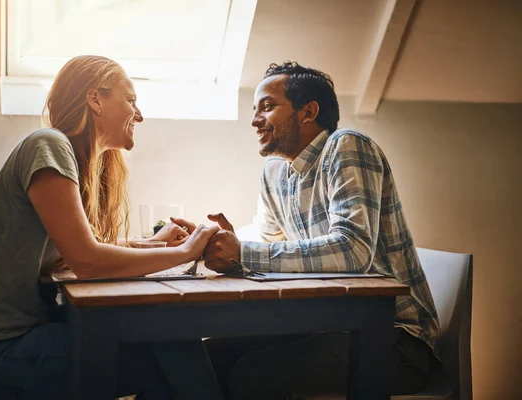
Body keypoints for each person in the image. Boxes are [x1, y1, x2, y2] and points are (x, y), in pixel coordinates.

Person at [0, 55, 224, 400]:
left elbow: (79, 248)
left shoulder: (69, 157)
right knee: (173, 360)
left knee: (172, 346)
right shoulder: (49, 144)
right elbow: (87, 261)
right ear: (95, 99)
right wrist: (185, 251)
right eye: (130, 99)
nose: (140, 114)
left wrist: (157, 245)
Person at [176, 61, 441, 399]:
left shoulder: (347, 147)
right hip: (326, 328)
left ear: (308, 112)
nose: (255, 119)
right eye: (255, 109)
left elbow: (352, 250)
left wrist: (241, 252)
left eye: (268, 107)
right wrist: (216, 242)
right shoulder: (274, 172)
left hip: (395, 341)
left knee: (252, 377)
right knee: (202, 361)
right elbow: (268, 242)